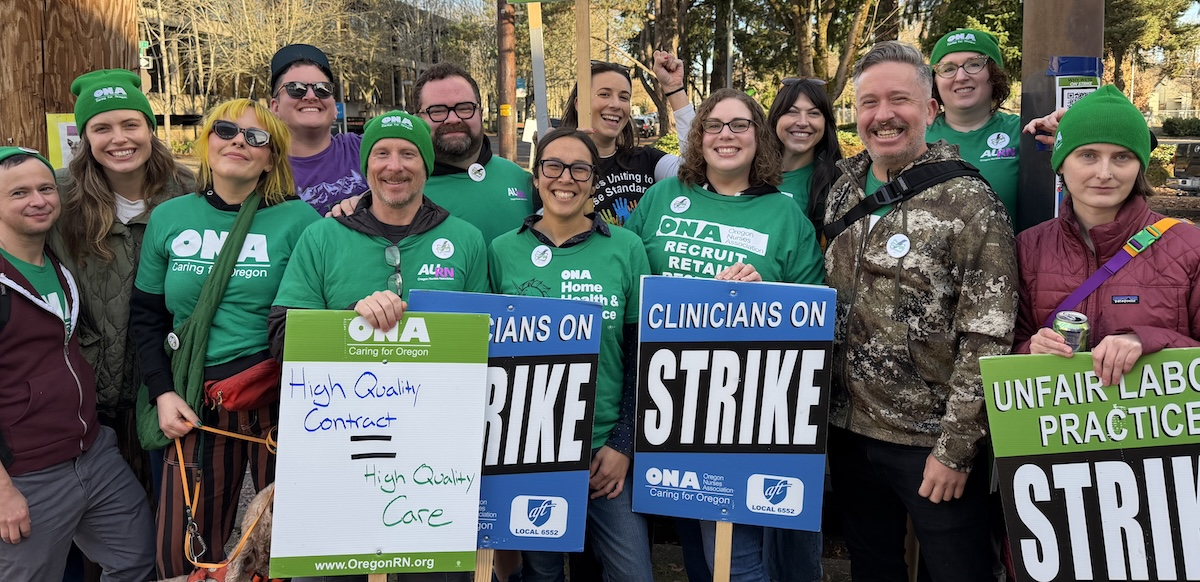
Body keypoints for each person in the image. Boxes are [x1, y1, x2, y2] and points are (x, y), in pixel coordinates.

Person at [822, 41, 1016, 581]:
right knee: (873, 566)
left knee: (958, 572)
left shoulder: (969, 202)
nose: (882, 116)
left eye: (899, 100)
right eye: (868, 103)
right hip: (850, 431)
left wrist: (955, 450)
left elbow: (988, 336)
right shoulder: (843, 189)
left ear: (930, 109)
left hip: (929, 442)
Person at [625, 88, 825, 582]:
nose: (726, 135)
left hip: (743, 408)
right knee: (696, 544)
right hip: (663, 398)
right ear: (698, 137)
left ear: (759, 138)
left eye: (740, 125)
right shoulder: (661, 198)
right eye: (714, 125)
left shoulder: (784, 215)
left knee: (737, 557)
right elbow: (628, 280)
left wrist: (766, 296)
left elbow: (814, 317)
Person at [129, 99, 320, 578]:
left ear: (272, 157)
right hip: (194, 398)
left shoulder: (302, 223)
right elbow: (147, 317)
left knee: (289, 540)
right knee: (185, 547)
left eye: (257, 138)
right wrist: (162, 393)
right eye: (227, 130)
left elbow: (319, 313)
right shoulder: (169, 218)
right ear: (208, 140)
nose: (239, 141)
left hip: (277, 398)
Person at [489, 128, 652, 582]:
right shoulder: (502, 251)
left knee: (632, 573)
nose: (566, 177)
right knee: (541, 575)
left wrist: (623, 444)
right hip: (530, 452)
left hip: (604, 452)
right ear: (537, 178)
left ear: (593, 179)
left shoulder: (626, 249)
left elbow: (642, 355)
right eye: (553, 166)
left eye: (580, 168)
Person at [0, 146, 156, 581]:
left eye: (46, 188)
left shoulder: (57, 266)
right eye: (19, 193)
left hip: (92, 452)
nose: (38, 200)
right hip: (26, 472)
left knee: (137, 560)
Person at [50, 68, 195, 503]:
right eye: (102, 127)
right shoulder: (59, 196)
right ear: (86, 137)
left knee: (170, 516)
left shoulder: (190, 192)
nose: (119, 138)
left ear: (149, 128)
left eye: (131, 124)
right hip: (89, 388)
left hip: (167, 384)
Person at [1014, 85, 1200, 372]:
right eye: (1088, 155)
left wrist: (1152, 341)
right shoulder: (1028, 248)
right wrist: (1030, 350)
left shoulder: (1189, 248)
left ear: (1140, 166)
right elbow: (1000, 350)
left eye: (1122, 157)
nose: (1104, 173)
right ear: (1061, 163)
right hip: (1062, 416)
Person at [270, 109, 488, 353]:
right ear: (366, 166)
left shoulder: (466, 239)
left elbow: (484, 337)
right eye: (381, 154)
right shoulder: (320, 238)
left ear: (426, 167)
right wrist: (352, 320)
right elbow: (282, 339)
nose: (394, 166)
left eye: (408, 154)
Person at [558, 54, 694, 227]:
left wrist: (674, 89)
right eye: (604, 94)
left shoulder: (647, 161)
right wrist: (560, 151)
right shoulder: (557, 169)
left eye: (624, 97)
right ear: (579, 104)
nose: (616, 104)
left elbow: (696, 168)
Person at [412, 63, 534, 244]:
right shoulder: (404, 189)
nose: (453, 119)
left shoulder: (519, 178)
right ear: (417, 119)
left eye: (464, 108)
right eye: (437, 111)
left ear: (480, 113)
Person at [926, 28, 1020, 220]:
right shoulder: (917, 136)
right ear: (935, 81)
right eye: (948, 69)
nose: (960, 77)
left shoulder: (1022, 132)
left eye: (974, 64)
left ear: (993, 74)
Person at [269, 44, 368, 216]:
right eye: (296, 88)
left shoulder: (367, 148)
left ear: (334, 106)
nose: (311, 96)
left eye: (322, 89)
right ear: (275, 107)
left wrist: (370, 200)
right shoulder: (261, 167)